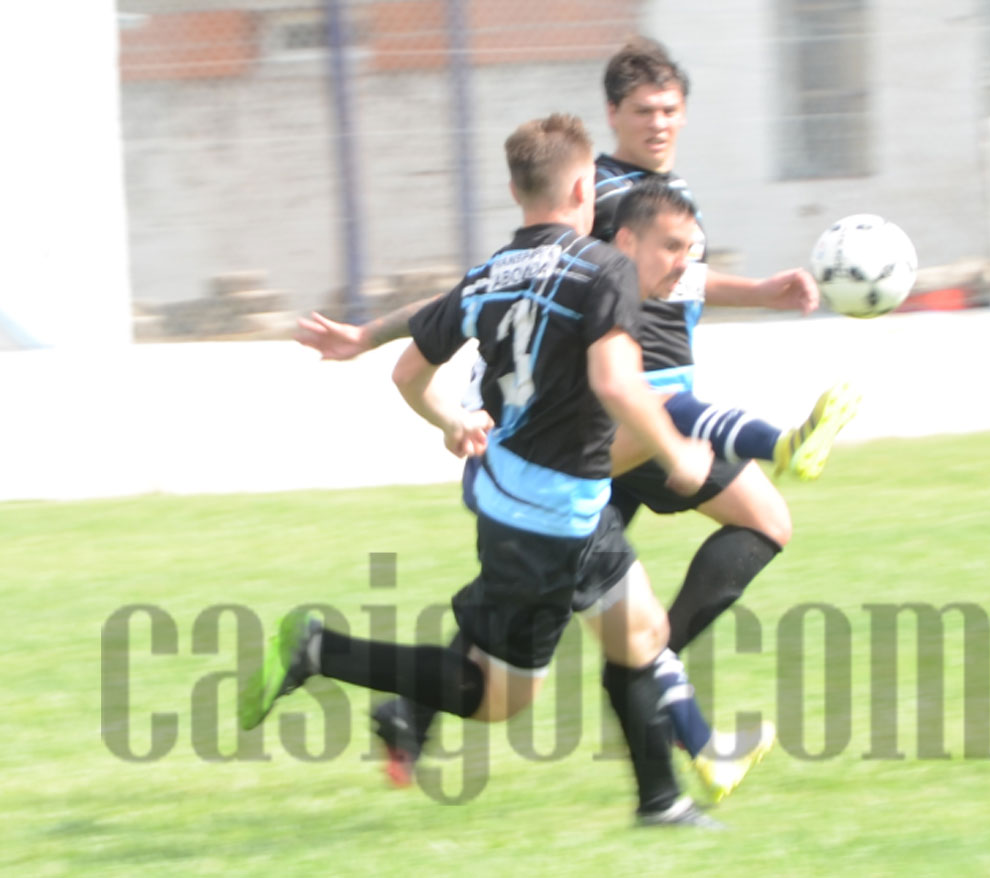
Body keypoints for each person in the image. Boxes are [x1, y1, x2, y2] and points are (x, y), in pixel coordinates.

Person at [240, 113, 723, 827]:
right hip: (541, 520)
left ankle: (661, 802)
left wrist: (446, 416)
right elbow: (617, 383)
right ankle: (318, 649)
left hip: (554, 499)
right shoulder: (605, 268)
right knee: (495, 697)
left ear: (515, 189)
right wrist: (678, 453)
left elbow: (409, 372)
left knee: (640, 632)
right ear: (584, 188)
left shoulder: (493, 272)